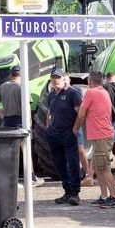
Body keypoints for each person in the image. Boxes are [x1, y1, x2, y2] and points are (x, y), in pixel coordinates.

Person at [78, 71, 115, 208]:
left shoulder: (90, 92)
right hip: (102, 135)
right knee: (99, 168)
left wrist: (75, 128)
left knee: (104, 168)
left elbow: (81, 113)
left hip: (101, 135)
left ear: (89, 81)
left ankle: (114, 197)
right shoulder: (103, 91)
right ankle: (104, 196)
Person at [43, 68, 83, 205]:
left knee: (72, 163)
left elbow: (80, 113)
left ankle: (75, 193)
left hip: (68, 134)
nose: (55, 80)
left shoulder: (73, 93)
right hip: (54, 135)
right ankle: (67, 191)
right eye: (53, 78)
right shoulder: (51, 95)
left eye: (58, 78)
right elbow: (49, 113)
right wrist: (48, 128)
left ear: (63, 79)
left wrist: (75, 129)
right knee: (59, 165)